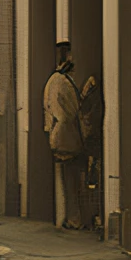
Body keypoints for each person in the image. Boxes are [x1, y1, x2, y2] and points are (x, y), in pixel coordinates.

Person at [43, 41, 97, 230]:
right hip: (68, 138)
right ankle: (77, 219)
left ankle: (75, 218)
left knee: (70, 181)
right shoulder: (61, 82)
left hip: (61, 137)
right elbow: (70, 112)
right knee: (74, 181)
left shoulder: (55, 81)